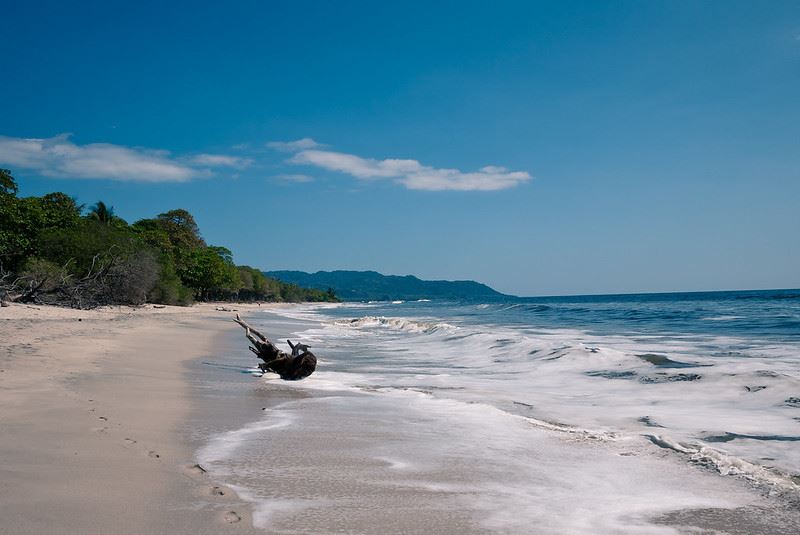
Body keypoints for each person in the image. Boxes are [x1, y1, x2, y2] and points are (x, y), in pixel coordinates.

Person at [233, 314, 317, 380]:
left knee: (260, 341)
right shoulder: (297, 364)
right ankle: (244, 325)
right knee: (263, 340)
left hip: (284, 363)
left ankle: (246, 329)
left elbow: (286, 368)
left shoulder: (298, 367)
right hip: (283, 360)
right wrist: (266, 365)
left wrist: (266, 365)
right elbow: (284, 363)